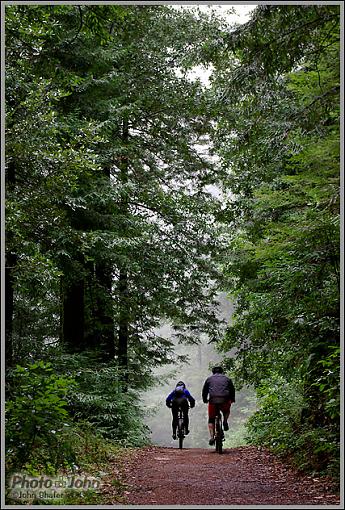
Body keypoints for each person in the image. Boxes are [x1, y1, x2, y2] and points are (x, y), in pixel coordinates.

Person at [202, 366, 235, 445]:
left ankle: (212, 437)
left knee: (211, 419)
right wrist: (232, 399)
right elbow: (232, 390)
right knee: (226, 411)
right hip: (225, 400)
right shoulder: (227, 379)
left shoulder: (209, 379)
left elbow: (204, 391)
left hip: (213, 400)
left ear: (213, 372)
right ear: (222, 372)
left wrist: (205, 399)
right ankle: (225, 421)